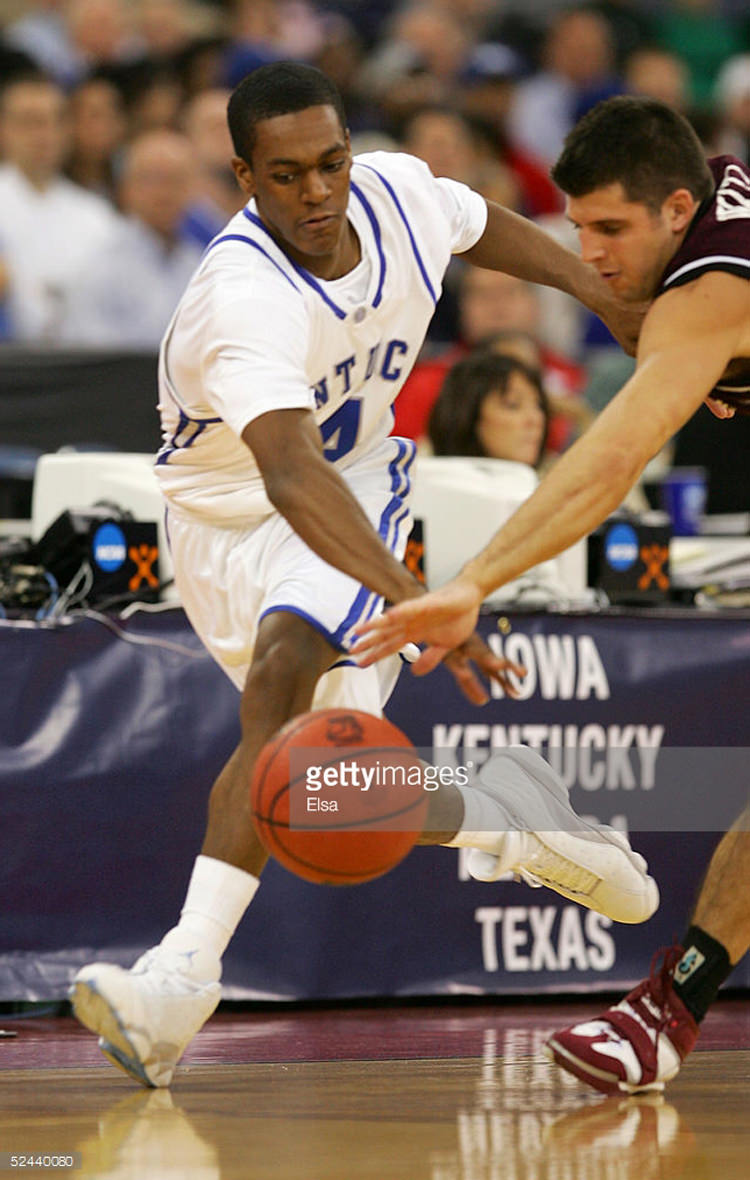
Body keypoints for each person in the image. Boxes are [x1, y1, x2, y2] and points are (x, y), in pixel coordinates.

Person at [68, 63, 657, 1090]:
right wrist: (418, 597)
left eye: (330, 162)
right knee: (331, 787)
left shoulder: (395, 190)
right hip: (227, 518)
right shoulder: (242, 293)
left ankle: (178, 984)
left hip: (357, 483)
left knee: (282, 684)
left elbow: (477, 225)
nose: (317, 191)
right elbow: (285, 471)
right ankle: (509, 819)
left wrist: (596, 287)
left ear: (351, 152)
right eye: (286, 174)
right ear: (244, 178)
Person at [353, 94, 750, 1094]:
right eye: (579, 228)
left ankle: (669, 1007)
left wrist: (474, 581)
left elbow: (610, 460)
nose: (594, 251)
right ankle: (670, 1006)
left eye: (611, 229)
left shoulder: (708, 293)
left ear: (674, 209)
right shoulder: (713, 220)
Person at [59, 128, 204, 349]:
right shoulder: (98, 263)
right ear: (125, 188)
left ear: (193, 188)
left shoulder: (199, 263)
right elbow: (89, 351)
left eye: (176, 179)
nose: (164, 192)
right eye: (152, 179)